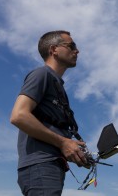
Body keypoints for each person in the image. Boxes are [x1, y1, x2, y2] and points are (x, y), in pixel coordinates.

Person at [10, 30, 89, 196]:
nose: (77, 50)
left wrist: (74, 152)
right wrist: (63, 143)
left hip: (50, 166)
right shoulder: (42, 74)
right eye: (71, 46)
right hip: (40, 166)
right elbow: (19, 116)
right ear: (54, 49)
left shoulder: (58, 86)